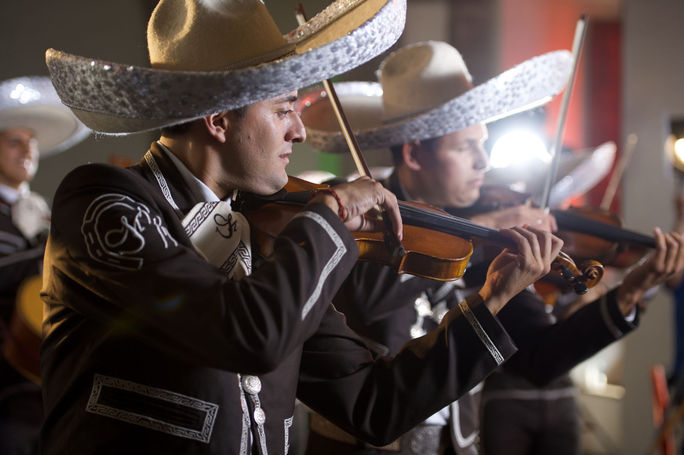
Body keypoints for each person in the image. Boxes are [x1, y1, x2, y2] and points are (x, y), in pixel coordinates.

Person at [39, 2, 566, 454]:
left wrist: (492, 301)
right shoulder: (104, 199)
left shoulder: (265, 233)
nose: (298, 128)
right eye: (284, 109)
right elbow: (250, 335)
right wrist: (331, 213)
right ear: (218, 119)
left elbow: (374, 406)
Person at [298, 40, 684, 455]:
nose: (484, 162)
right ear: (413, 154)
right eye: (467, 147)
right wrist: (479, 231)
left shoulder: (483, 235)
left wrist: (628, 294)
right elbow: (363, 299)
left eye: (484, 144)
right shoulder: (354, 211)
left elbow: (538, 359)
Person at [0, 76, 89, 455]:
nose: (27, 150)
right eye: (14, 141)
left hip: (51, 374)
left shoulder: (45, 215)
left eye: (31, 142)